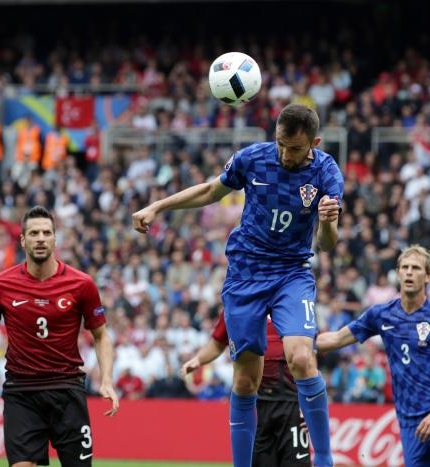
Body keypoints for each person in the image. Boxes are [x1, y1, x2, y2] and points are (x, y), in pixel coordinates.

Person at [133, 103, 342, 467]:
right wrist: (157, 207)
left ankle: (324, 459)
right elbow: (210, 191)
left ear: (315, 142)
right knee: (246, 380)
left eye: (294, 148)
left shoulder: (326, 172)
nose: (285, 153)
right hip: (246, 274)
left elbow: (326, 243)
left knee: (301, 357)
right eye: (280, 144)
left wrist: (326, 221)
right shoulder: (253, 158)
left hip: (291, 273)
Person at [0, 206, 119, 467]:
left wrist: (107, 379)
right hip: (21, 392)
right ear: (23, 240)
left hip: (67, 389)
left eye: (46, 233)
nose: (40, 238)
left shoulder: (82, 284)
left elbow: (101, 336)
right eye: (34, 233)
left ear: (55, 238)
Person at [317, 245, 430, 467]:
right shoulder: (381, 314)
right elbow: (335, 339)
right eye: (405, 267)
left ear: (428, 276)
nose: (409, 272)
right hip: (410, 424)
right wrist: (296, 341)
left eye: (416, 268)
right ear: (398, 273)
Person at [181, 312, 311, 466]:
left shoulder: (290, 304)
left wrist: (309, 405)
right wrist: (198, 359)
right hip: (255, 406)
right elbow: (217, 343)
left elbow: (309, 356)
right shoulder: (235, 304)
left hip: (292, 404)